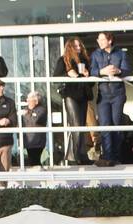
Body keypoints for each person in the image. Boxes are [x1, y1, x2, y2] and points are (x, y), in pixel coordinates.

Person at [90, 31, 130, 167]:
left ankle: (116, 156)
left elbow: (127, 70)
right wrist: (102, 72)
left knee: (116, 124)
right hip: (103, 95)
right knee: (105, 125)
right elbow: (92, 71)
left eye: (102, 39)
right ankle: (107, 156)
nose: (99, 42)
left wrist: (118, 71)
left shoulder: (121, 53)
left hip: (118, 94)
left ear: (110, 40)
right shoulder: (95, 54)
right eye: (98, 39)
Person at [56, 37, 93, 166]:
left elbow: (92, 83)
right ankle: (74, 156)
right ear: (70, 47)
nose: (78, 49)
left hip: (83, 95)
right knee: (76, 124)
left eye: (80, 46)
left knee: (81, 126)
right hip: (70, 95)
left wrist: (87, 75)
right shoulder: (63, 60)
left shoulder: (86, 61)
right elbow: (55, 77)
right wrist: (68, 74)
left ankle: (79, 154)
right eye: (76, 46)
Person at [22, 90, 47, 168]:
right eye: (27, 99)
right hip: (28, 141)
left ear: (36, 101)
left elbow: (35, 120)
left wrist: (27, 113)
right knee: (32, 161)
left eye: (29, 99)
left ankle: (40, 176)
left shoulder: (41, 110)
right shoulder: (26, 111)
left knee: (35, 160)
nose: (27, 101)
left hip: (37, 141)